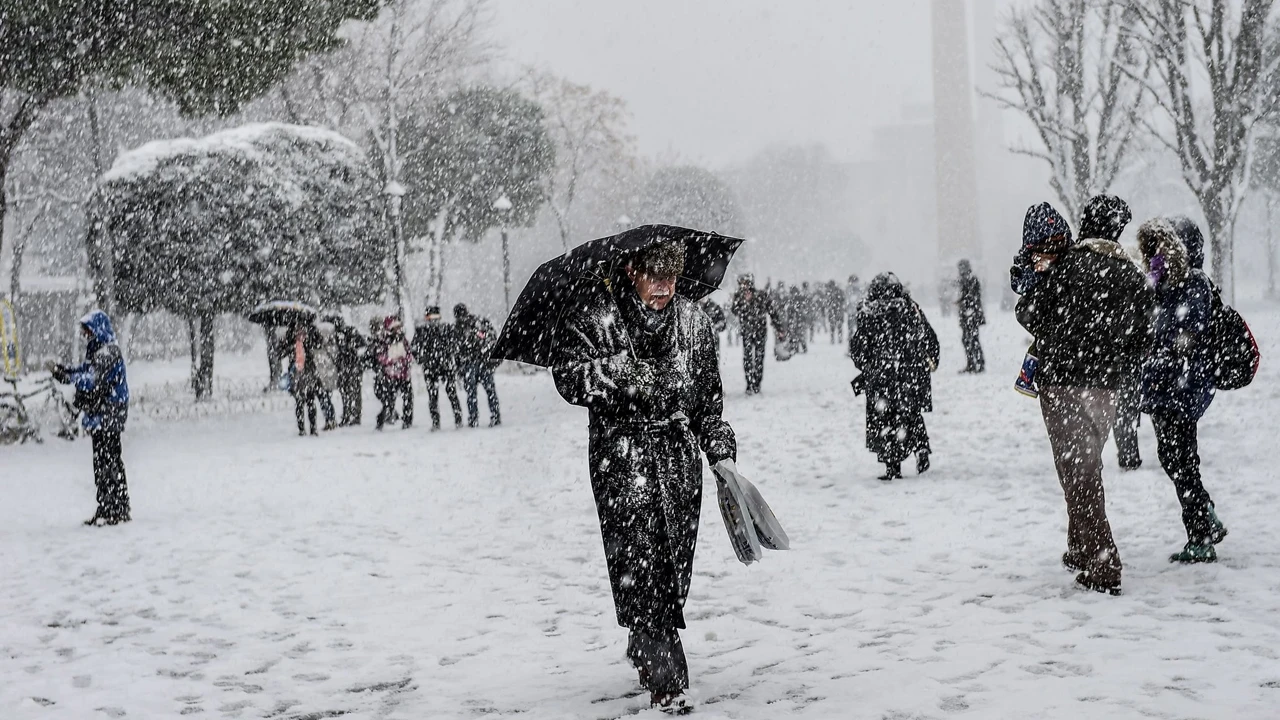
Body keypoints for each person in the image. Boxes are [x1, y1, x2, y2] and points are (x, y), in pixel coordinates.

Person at [551, 241, 736, 713]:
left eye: (672, 277)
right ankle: (668, 682)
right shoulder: (595, 316)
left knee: (671, 573)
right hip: (622, 462)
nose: (665, 287)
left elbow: (707, 402)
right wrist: (628, 376)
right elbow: (570, 377)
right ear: (631, 271)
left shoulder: (694, 322)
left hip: (678, 467)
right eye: (655, 276)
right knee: (643, 568)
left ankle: (643, 638)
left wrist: (719, 449)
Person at [1016, 196, 1154, 595]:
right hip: (1106, 387)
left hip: (1063, 383)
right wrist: (1113, 360)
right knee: (1085, 467)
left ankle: (1102, 563)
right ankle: (1080, 547)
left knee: (1078, 473)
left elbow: (1032, 314)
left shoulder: (1068, 267)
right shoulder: (1130, 274)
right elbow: (1144, 336)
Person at [1137, 217, 1228, 564]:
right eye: (1153, 249)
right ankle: (1206, 515)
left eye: (1162, 247)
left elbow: (1189, 335)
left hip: (1181, 387)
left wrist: (1161, 352)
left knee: (1183, 462)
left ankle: (1201, 537)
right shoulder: (1160, 282)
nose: (1155, 255)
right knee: (1173, 458)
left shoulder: (1193, 283)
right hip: (1164, 387)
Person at [849, 273, 939, 480]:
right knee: (910, 413)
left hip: (881, 377)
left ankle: (892, 466)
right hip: (909, 373)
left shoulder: (869, 313)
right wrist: (928, 361)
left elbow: (858, 348)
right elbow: (929, 337)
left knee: (883, 420)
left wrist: (868, 366)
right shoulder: (910, 308)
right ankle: (920, 447)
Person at [51, 310, 131, 526]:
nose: (85, 335)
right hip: (103, 413)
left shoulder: (108, 352)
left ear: (97, 330)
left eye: (88, 331)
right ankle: (109, 507)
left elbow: (93, 380)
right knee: (103, 461)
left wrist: (68, 378)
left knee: (109, 461)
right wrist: (67, 372)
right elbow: (86, 372)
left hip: (109, 414)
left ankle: (116, 508)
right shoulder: (97, 350)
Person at [411, 305, 463, 431]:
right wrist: (422, 359)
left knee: (451, 393)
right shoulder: (421, 331)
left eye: (436, 318)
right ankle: (436, 422)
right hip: (431, 367)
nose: (434, 321)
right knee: (433, 396)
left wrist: (449, 354)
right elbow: (414, 348)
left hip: (445, 366)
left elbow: (456, 345)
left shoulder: (446, 328)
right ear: (427, 318)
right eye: (431, 318)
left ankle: (458, 419)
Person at [730, 274, 780, 395]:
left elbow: (772, 311)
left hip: (760, 331)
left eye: (745, 283)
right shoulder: (739, 296)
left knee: (758, 358)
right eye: (741, 283)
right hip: (746, 331)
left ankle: (756, 383)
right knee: (747, 358)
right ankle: (749, 383)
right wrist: (743, 302)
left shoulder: (761, 295)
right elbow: (734, 310)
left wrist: (778, 327)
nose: (744, 286)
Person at [454, 303, 501, 428]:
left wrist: (459, 368)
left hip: (472, 363)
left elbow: (457, 351)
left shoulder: (461, 328)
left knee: (472, 394)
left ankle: (474, 419)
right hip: (480, 363)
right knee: (488, 392)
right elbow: (488, 338)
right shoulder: (476, 323)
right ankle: (494, 416)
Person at [283, 323, 323, 436]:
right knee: (299, 402)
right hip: (296, 374)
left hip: (308, 372)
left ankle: (313, 427)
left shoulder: (309, 334)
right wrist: (292, 346)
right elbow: (281, 351)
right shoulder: (290, 337)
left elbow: (319, 344)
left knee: (310, 401)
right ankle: (301, 429)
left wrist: (309, 338)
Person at [374, 316, 414, 430]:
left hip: (404, 374)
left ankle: (407, 421)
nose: (398, 330)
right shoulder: (384, 341)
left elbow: (409, 355)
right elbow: (381, 357)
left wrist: (404, 360)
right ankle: (381, 420)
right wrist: (393, 361)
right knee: (389, 400)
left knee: (408, 398)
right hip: (391, 375)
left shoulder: (403, 340)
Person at [327, 316, 366, 427]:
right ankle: (351, 414)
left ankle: (351, 415)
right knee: (350, 392)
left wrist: (350, 347)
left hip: (349, 366)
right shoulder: (343, 333)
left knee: (349, 392)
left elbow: (361, 345)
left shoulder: (343, 334)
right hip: (348, 366)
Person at [955, 259, 986, 373]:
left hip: (971, 315)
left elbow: (972, 297)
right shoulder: (967, 280)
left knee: (972, 340)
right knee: (968, 340)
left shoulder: (971, 280)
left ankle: (977, 363)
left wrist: (963, 303)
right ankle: (973, 363)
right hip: (969, 314)